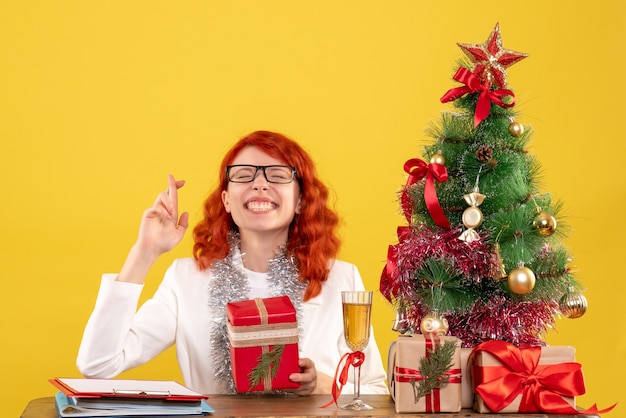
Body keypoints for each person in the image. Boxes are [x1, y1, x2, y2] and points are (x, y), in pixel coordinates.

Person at [76, 130, 389, 396]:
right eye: (243, 175)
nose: (259, 184)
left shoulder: (340, 279)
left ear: (300, 201)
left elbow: (375, 388)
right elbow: (98, 363)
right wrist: (144, 252)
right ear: (226, 199)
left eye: (278, 175)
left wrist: (321, 384)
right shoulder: (186, 279)